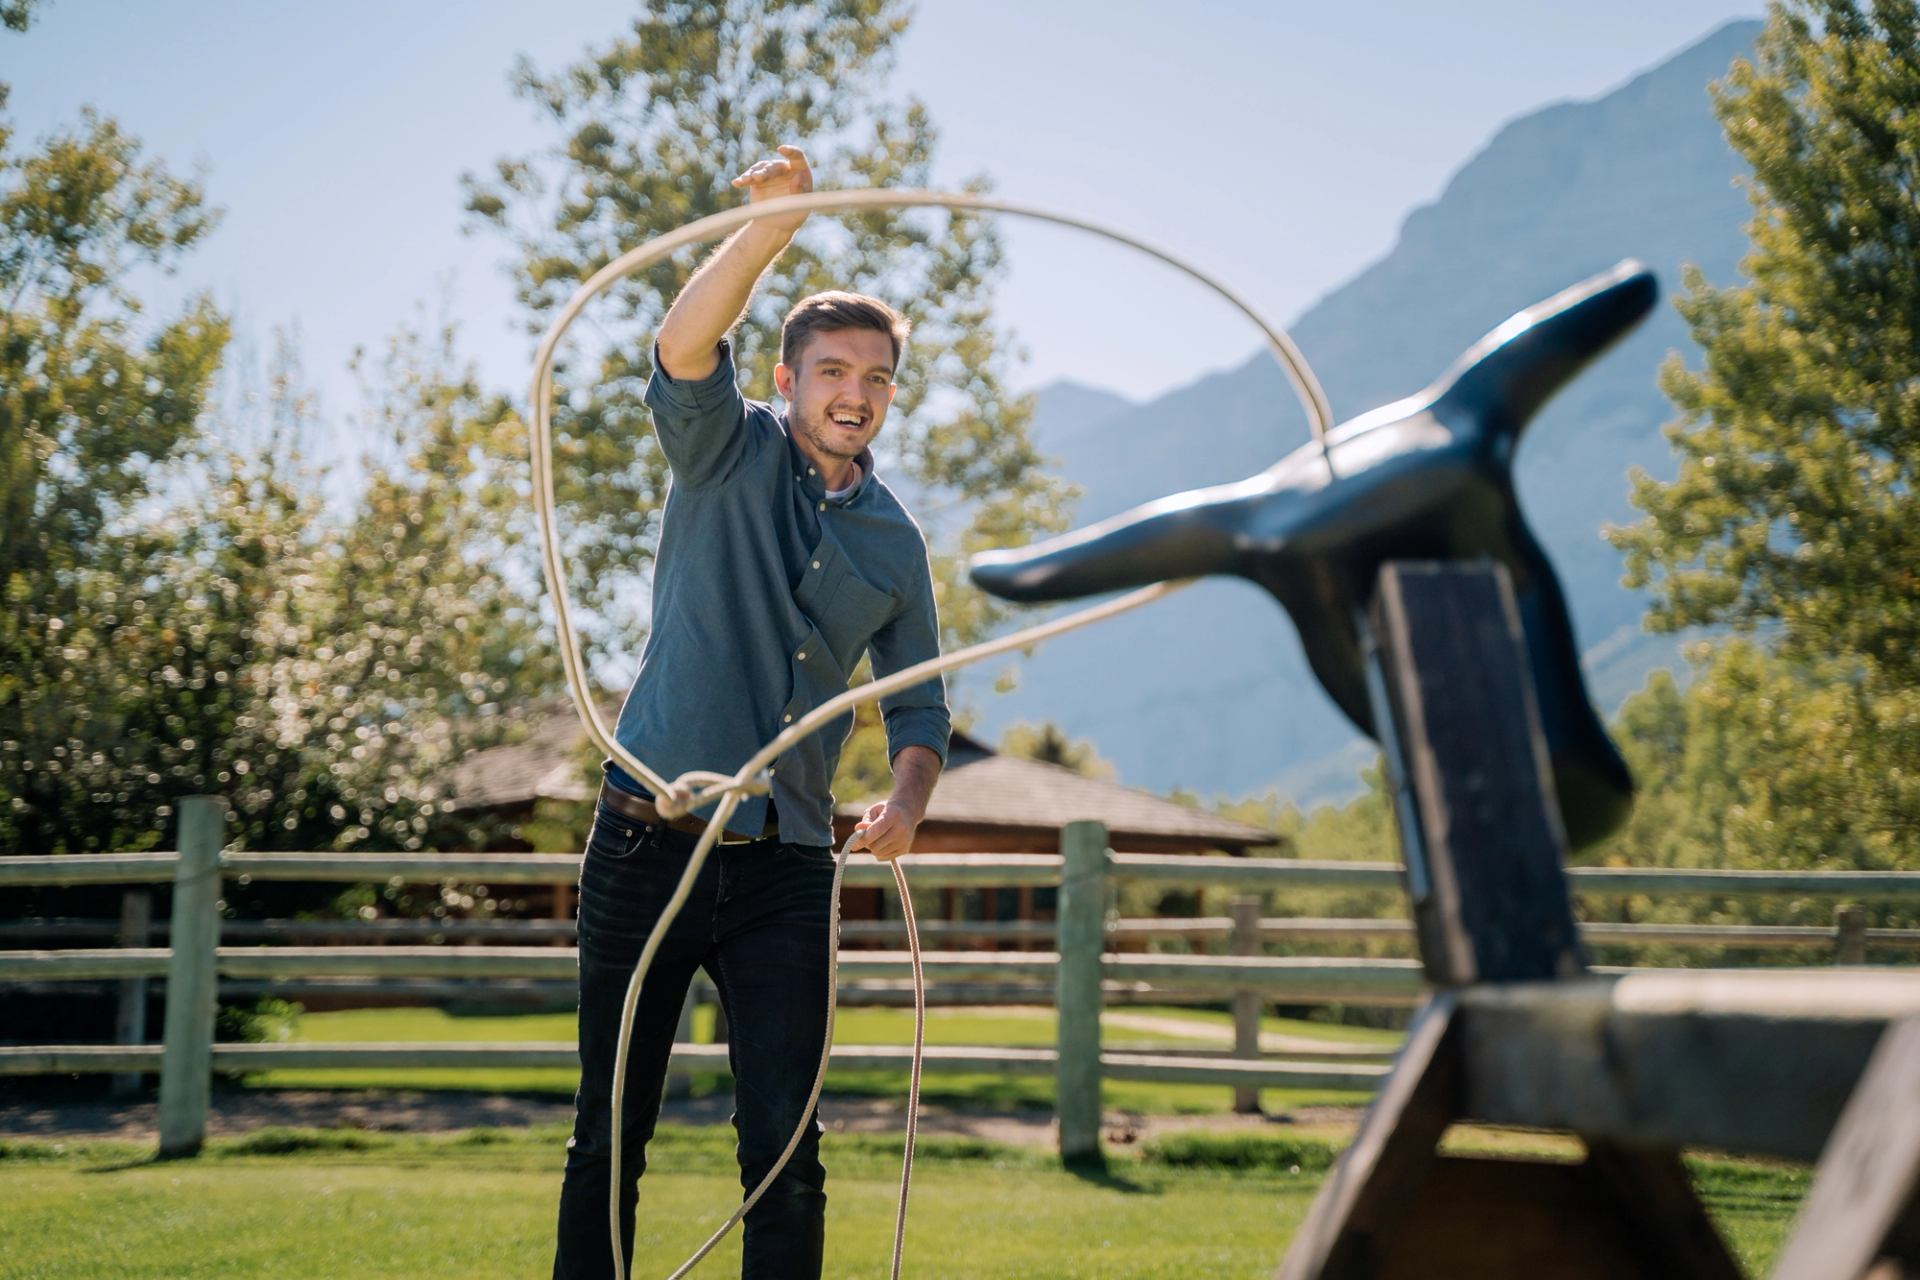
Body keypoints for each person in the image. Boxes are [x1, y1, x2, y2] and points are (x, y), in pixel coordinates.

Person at [551, 143, 949, 1280]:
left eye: (875, 378)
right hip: (647, 842)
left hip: (788, 870)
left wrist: (910, 799)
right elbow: (681, 349)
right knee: (606, 1136)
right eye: (831, 371)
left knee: (787, 1150)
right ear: (787, 380)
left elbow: (919, 702)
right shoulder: (722, 452)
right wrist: (772, 229)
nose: (854, 394)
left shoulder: (895, 541)